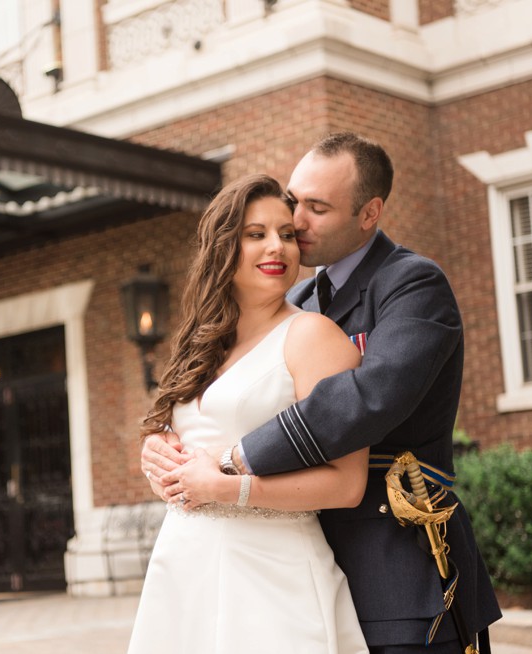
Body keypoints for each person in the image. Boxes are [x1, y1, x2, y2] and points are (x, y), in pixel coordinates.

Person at [141, 133, 502, 654]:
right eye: (294, 201)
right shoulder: (295, 298)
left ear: (368, 213)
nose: (297, 224)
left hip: (393, 561)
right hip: (285, 557)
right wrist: (164, 450)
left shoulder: (411, 285)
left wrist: (234, 460)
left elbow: (368, 398)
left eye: (316, 207)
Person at [126, 173, 370, 654]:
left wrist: (225, 487)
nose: (276, 247)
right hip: (184, 567)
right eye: (255, 235)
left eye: (286, 234)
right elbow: (186, 432)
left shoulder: (314, 337)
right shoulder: (201, 342)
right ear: (224, 248)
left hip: (271, 576)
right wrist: (156, 454)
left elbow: (347, 485)